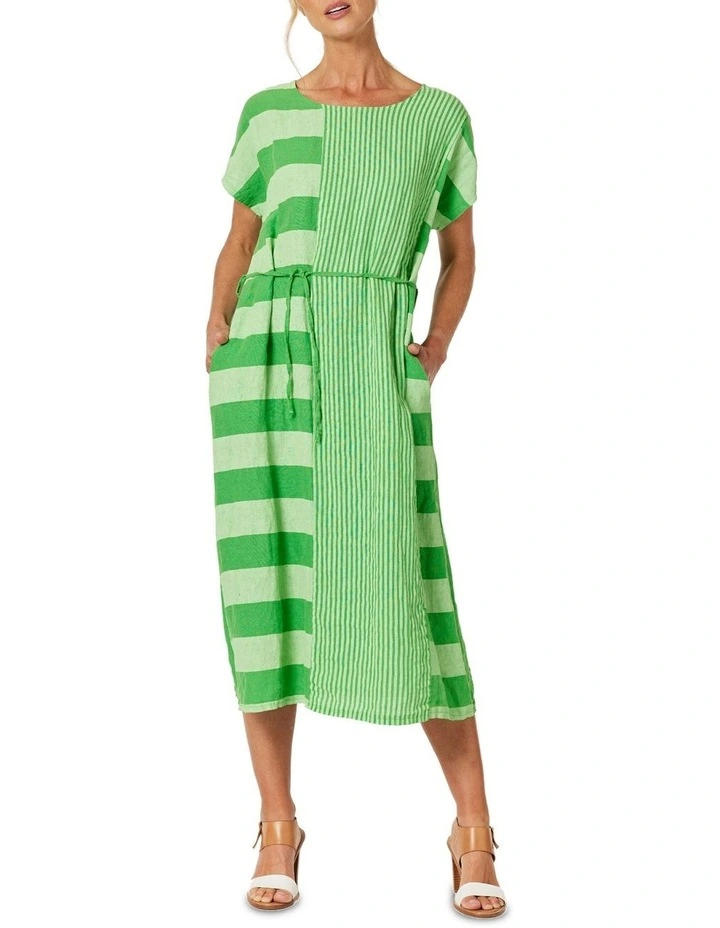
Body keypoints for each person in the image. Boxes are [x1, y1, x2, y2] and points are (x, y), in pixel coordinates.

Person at [205, 0, 507, 918]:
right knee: (267, 586)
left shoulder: (437, 116)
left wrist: (437, 342)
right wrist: (216, 330)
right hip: (264, 367)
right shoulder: (267, 113)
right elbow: (241, 239)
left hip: (372, 365)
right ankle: (278, 824)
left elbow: (459, 255)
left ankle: (474, 828)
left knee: (410, 586)